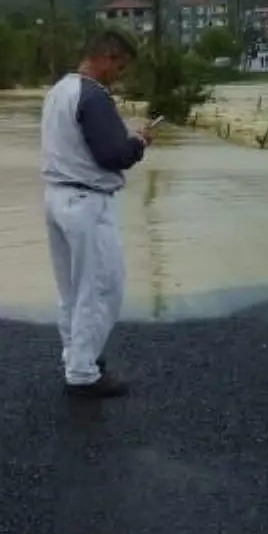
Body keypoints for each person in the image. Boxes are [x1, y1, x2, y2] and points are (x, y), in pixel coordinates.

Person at [41, 30, 154, 398]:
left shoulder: (58, 91)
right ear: (105, 56)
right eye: (119, 65)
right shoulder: (93, 96)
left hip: (57, 197)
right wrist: (138, 144)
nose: (119, 74)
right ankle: (83, 371)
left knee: (71, 289)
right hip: (87, 201)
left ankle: (77, 357)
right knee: (102, 288)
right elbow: (113, 155)